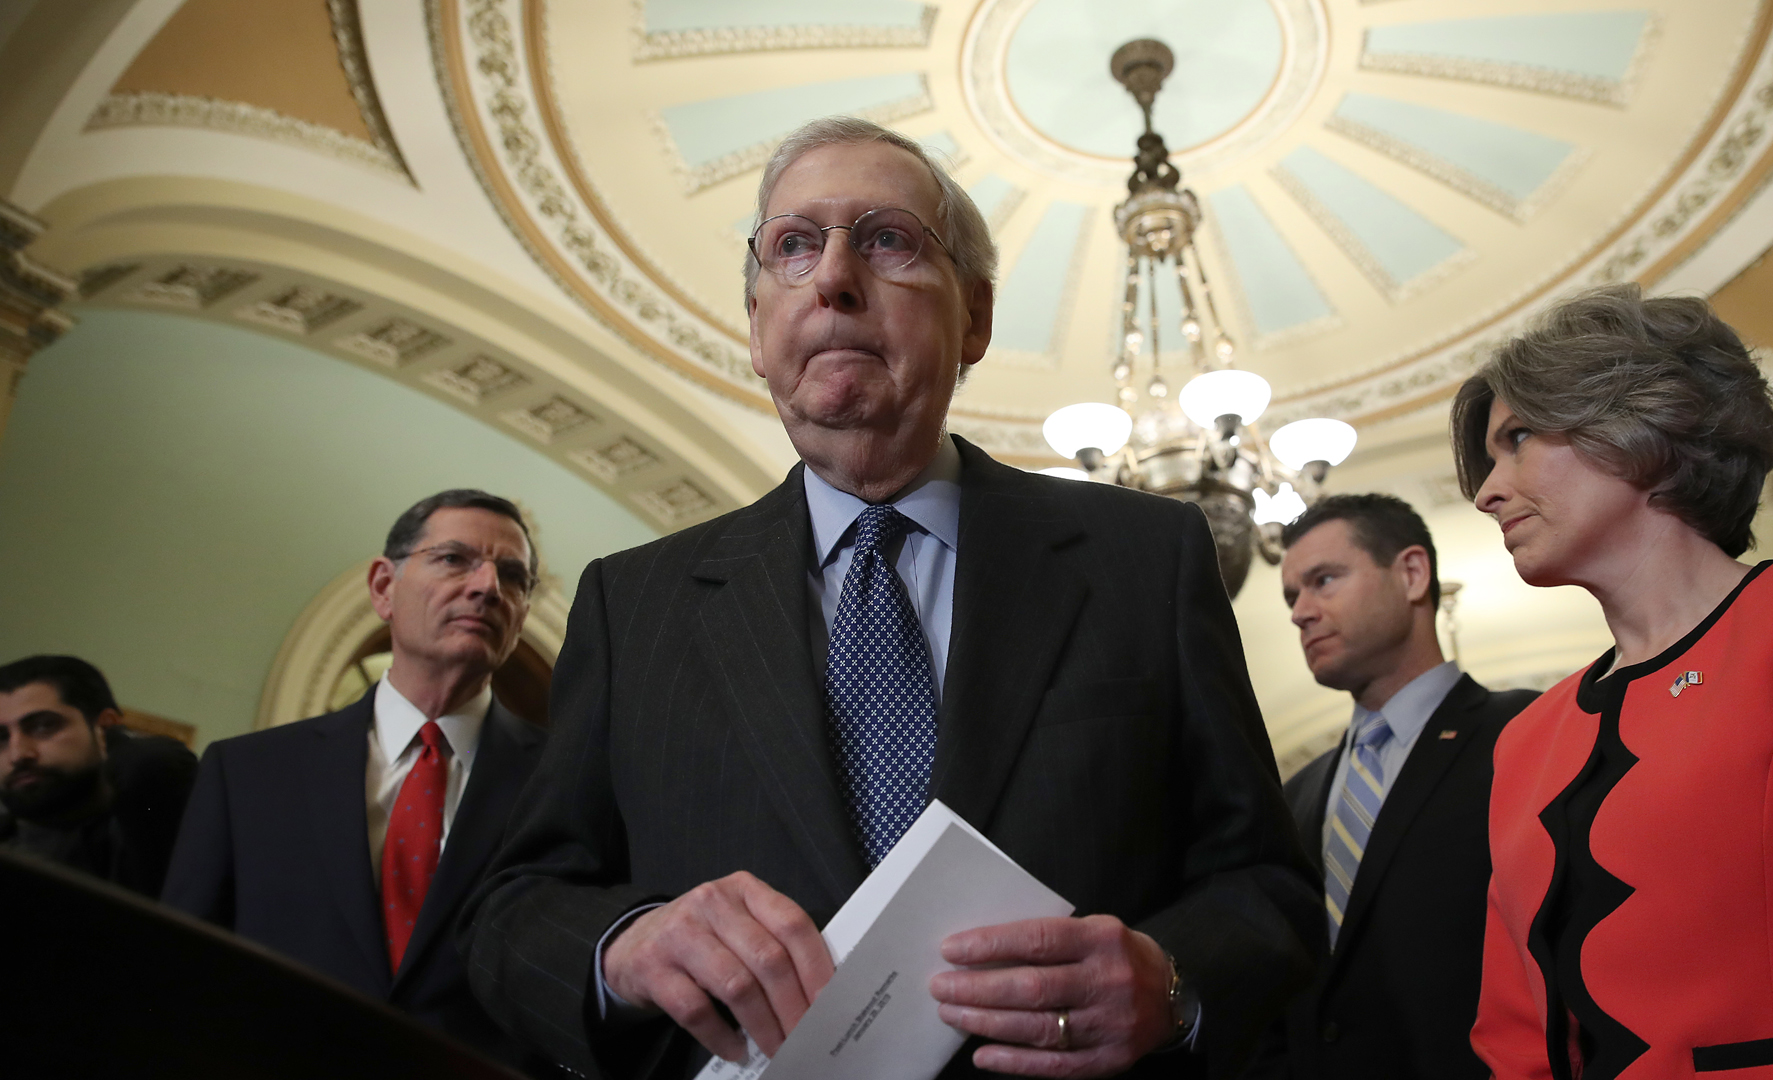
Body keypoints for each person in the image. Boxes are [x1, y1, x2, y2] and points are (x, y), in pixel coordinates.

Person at [461, 116, 1320, 1080]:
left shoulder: (1143, 557)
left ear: (976, 320)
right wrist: (624, 949)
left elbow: (1269, 892)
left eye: (886, 239)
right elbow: (510, 914)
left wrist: (1172, 984)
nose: (832, 278)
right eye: (792, 245)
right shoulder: (635, 604)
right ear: (755, 327)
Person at [1451, 284, 1773, 1079]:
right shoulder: (1528, 736)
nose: (1485, 491)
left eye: (1519, 437)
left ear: (1635, 421)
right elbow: (1514, 1037)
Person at [163, 490, 550, 1068]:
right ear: (383, 588)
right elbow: (178, 975)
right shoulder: (246, 774)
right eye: (454, 559)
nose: (487, 586)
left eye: (513, 576)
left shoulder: (564, 782)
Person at [1265, 495, 1538, 1079]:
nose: (1300, 612)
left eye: (1324, 580)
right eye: (1293, 595)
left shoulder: (1525, 736)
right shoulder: (1293, 797)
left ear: (1412, 574)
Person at [0, 654, 198, 898]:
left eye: (42, 726)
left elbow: (151, 763)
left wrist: (117, 741)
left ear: (105, 727)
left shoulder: (144, 826)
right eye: (1, 739)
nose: (18, 754)